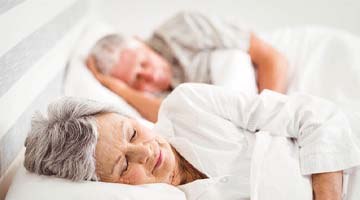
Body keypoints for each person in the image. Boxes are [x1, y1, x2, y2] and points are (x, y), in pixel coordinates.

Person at [24, 83, 360, 200]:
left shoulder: (188, 105)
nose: (146, 152)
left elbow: (310, 114)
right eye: (124, 164)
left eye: (132, 133)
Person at [86, 12, 288, 122]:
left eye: (144, 63)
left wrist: (266, 119)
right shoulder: (146, 99)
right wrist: (121, 90)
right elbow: (172, 114)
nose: (151, 76)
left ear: (140, 41)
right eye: (137, 79)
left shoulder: (185, 28)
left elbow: (273, 59)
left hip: (273, 80)